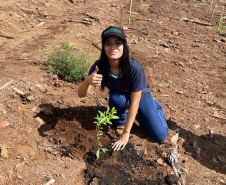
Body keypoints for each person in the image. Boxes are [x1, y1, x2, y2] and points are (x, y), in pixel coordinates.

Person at [78, 26, 168, 151]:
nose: (113, 48)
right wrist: (87, 81)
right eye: (108, 44)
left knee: (160, 135)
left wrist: (126, 134)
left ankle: (156, 108)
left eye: (117, 43)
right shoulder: (99, 66)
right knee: (116, 98)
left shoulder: (134, 68)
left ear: (124, 46)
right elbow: (81, 95)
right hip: (120, 97)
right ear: (103, 47)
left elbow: (135, 102)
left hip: (140, 98)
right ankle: (121, 120)